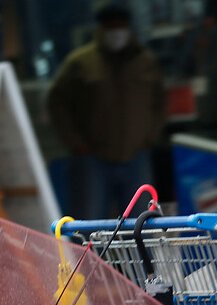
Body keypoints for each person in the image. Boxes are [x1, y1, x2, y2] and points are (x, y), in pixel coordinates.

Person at [47, 3, 166, 218]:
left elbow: (160, 101)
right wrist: (75, 142)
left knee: (142, 223)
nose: (117, 32)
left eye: (121, 26)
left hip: (136, 156)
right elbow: (57, 103)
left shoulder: (146, 61)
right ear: (101, 29)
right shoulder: (80, 63)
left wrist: (151, 135)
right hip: (92, 159)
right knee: (89, 223)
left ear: (129, 28)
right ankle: (89, 254)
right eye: (111, 27)